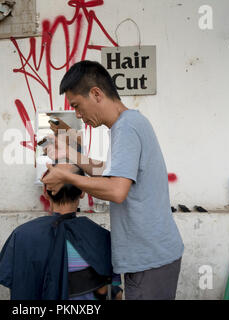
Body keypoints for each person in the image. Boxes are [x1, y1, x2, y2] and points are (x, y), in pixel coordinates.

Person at [41, 60, 184, 300]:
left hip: (149, 259)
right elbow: (110, 173)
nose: (77, 114)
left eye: (77, 106)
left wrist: (66, 175)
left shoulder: (126, 127)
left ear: (96, 93)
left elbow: (117, 190)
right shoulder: (127, 124)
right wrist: (71, 155)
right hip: (153, 256)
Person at [0, 163, 122, 300]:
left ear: (45, 192)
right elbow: (113, 292)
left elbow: (7, 277)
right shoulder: (102, 237)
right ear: (82, 192)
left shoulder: (21, 236)